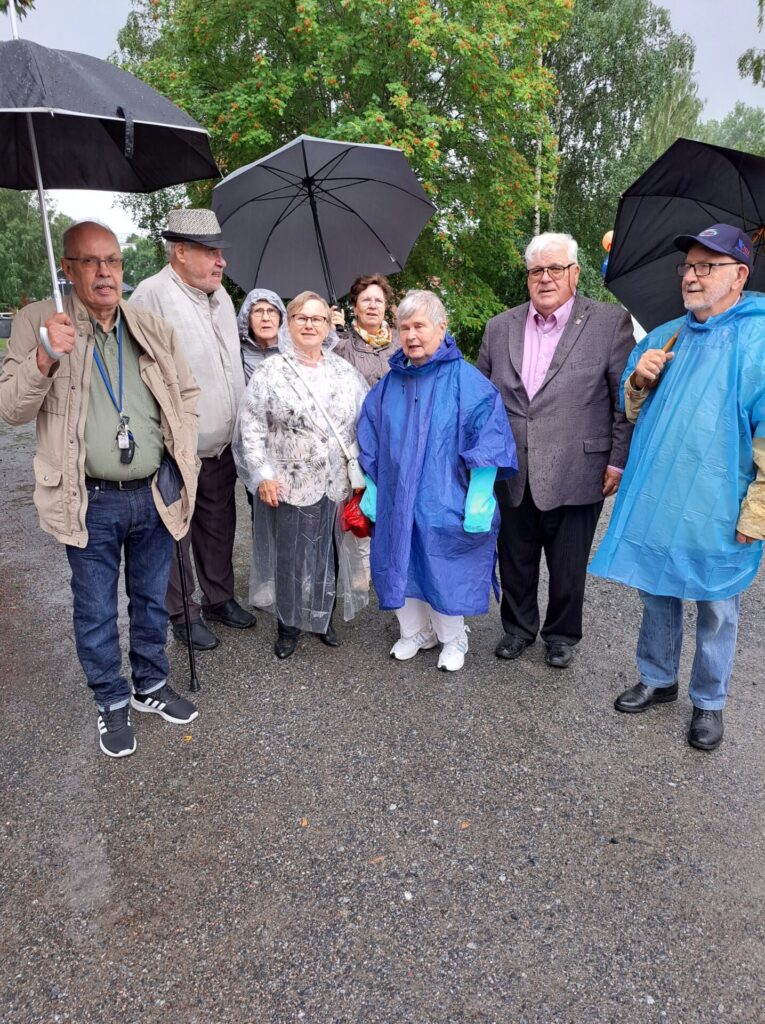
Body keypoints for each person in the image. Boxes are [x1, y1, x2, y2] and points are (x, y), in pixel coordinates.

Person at [0, 220, 200, 758]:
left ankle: (150, 686)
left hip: (153, 491)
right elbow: (11, 409)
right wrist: (45, 355)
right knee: (94, 608)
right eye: (90, 262)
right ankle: (110, 699)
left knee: (151, 599)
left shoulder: (149, 325)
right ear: (67, 269)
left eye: (111, 260)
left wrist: (180, 455)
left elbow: (186, 392)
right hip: (87, 498)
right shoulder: (39, 322)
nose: (105, 271)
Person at [590, 224, 765, 752]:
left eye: (705, 266)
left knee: (716, 605)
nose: (691, 276)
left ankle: (709, 702)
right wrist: (639, 379)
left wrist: (757, 512)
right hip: (661, 496)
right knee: (657, 588)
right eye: (687, 266)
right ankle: (658, 677)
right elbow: (634, 410)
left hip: (718, 502)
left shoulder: (759, 341)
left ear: (739, 275)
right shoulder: (665, 334)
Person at [477, 232, 634, 669]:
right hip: (514, 467)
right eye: (536, 271)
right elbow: (480, 400)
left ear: (575, 273)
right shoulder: (499, 326)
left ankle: (561, 635)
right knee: (516, 557)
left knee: (568, 566)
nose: (544, 278)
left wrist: (618, 460)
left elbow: (623, 398)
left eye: (554, 269)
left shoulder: (608, 322)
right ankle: (518, 628)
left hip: (579, 466)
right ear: (527, 277)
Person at [357, 290, 517, 672]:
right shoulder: (390, 384)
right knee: (399, 562)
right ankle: (415, 631)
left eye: (419, 326)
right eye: (404, 327)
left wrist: (480, 492)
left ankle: (452, 637)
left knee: (443, 564)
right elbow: (370, 432)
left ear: (441, 328)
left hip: (445, 496)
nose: (411, 335)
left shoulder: (466, 380)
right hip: (397, 497)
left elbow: (489, 435)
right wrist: (373, 486)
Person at [131, 208, 255, 651]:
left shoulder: (220, 296)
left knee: (218, 526)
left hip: (220, 446)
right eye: (211, 252)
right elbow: (136, 371)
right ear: (180, 252)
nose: (221, 262)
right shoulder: (152, 296)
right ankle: (183, 614)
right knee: (174, 534)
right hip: (176, 447)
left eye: (221, 253)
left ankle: (220, 597)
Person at [233, 290, 369, 659]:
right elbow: (252, 428)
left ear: (328, 325)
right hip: (290, 481)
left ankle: (321, 617)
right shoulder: (270, 371)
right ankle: (289, 624)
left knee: (330, 551)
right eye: (302, 318)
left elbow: (363, 423)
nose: (310, 324)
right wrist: (262, 475)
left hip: (335, 482)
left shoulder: (344, 371)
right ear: (288, 324)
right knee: (291, 555)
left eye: (318, 318)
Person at [332, 274, 402, 386]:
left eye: (379, 301)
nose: (373, 306)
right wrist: (330, 333)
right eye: (366, 300)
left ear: (385, 306)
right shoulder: (341, 345)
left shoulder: (401, 341)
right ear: (355, 308)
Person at [237, 287, 287, 386]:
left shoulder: (293, 353)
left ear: (281, 318)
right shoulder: (236, 354)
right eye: (258, 311)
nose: (265, 318)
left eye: (272, 311)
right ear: (247, 319)